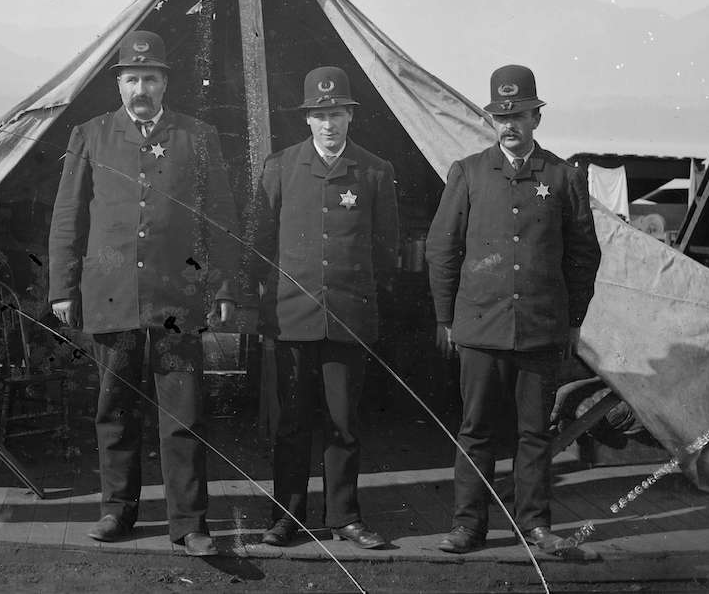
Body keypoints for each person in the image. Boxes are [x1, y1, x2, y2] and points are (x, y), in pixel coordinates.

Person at [48, 30, 245, 556]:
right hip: (110, 295)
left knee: (183, 413)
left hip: (176, 301)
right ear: (118, 84)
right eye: (132, 79)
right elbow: (68, 218)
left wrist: (224, 284)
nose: (141, 88)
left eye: (151, 79)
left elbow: (221, 218)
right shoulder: (89, 135)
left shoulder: (197, 136)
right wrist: (63, 287)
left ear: (165, 84)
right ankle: (118, 509)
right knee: (114, 409)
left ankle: (189, 521)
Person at [426, 64, 600, 557]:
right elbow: (442, 249)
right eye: (501, 116)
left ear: (536, 118)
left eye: (520, 114)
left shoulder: (564, 177)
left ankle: (536, 526)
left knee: (535, 433)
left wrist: (572, 321)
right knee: (476, 430)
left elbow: (584, 254)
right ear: (492, 120)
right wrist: (446, 318)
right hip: (481, 326)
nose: (510, 125)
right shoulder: (469, 172)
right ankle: (468, 526)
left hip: (542, 330)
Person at [250, 66, 399, 550]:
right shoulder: (279, 167)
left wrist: (362, 302)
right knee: (291, 423)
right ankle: (285, 518)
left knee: (345, 423)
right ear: (307, 120)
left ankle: (345, 518)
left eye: (337, 113)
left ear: (351, 117)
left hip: (348, 317)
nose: (329, 124)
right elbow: (258, 243)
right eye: (319, 115)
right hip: (290, 317)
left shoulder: (375, 171)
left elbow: (384, 248)